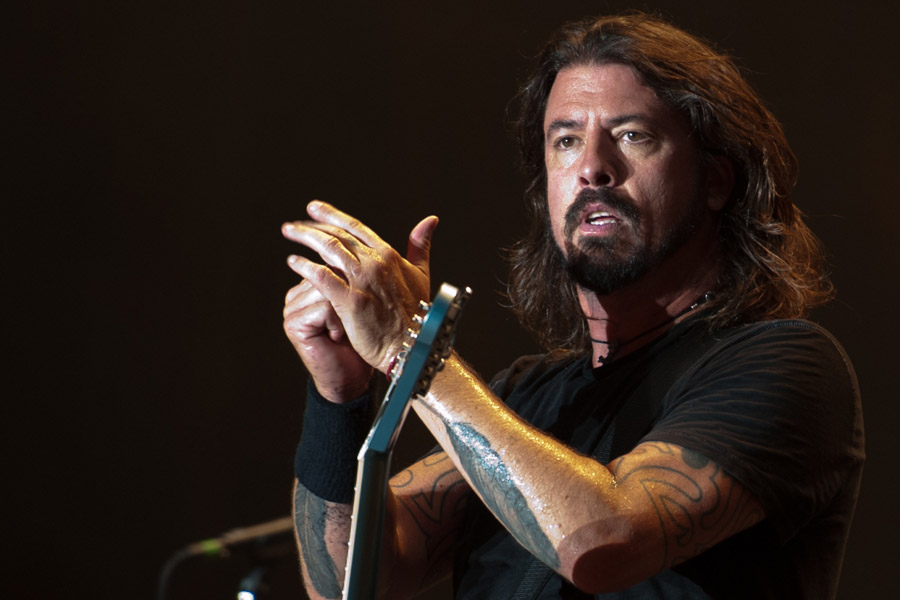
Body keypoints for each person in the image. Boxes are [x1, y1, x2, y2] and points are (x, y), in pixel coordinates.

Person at [281, 13, 864, 600]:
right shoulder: (524, 396)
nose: (591, 168)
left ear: (715, 180)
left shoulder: (785, 365)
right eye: (565, 141)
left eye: (632, 135)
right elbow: (350, 581)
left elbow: (601, 547)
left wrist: (412, 348)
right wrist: (341, 397)